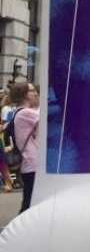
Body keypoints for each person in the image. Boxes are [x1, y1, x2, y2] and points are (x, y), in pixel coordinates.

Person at [9, 81, 38, 212]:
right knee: (29, 202)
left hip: (29, 163)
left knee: (30, 200)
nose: (36, 93)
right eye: (32, 91)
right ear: (25, 94)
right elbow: (47, 118)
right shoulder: (25, 113)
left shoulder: (20, 112)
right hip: (32, 162)